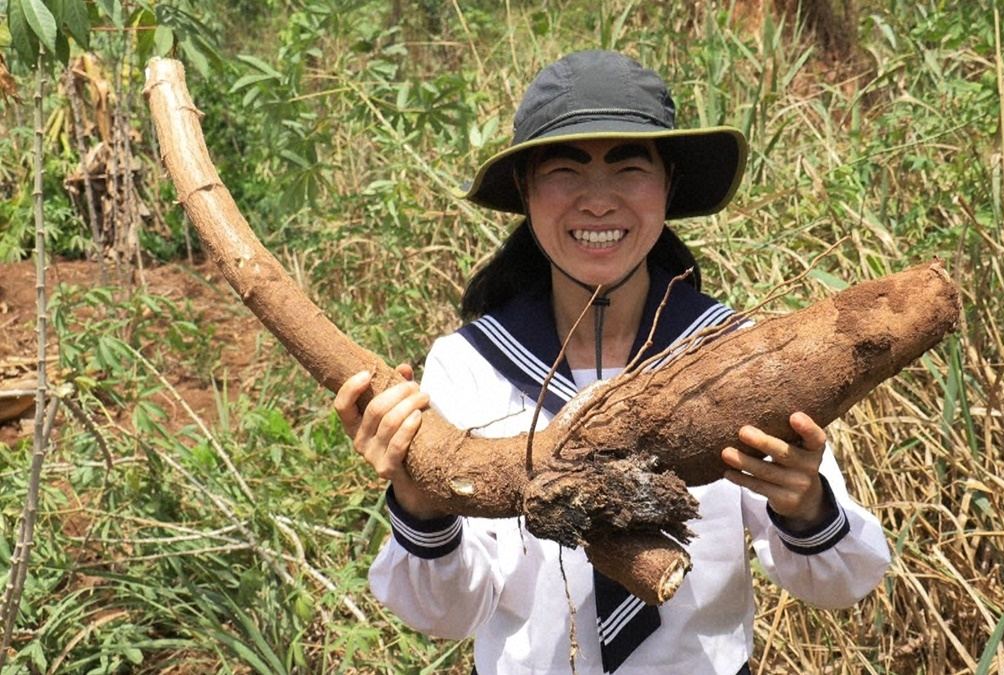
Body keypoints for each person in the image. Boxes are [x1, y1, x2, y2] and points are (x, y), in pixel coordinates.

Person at [334, 50, 890, 675]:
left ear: (668, 184)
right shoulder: (470, 366)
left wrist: (806, 503)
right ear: (525, 189)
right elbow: (445, 616)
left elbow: (841, 584)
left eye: (629, 168)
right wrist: (422, 505)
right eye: (565, 171)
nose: (598, 202)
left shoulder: (739, 352)